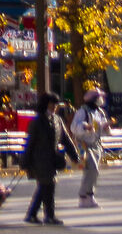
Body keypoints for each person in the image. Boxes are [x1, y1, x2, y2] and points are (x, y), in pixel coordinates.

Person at [19, 93, 76, 227]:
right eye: (52, 104)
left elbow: (66, 139)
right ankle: (49, 216)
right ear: (46, 104)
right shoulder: (37, 122)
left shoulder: (57, 120)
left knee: (44, 187)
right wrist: (24, 162)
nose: (55, 107)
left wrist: (74, 155)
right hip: (39, 160)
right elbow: (30, 143)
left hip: (52, 159)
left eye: (56, 104)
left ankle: (31, 214)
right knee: (48, 186)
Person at [71, 88, 107, 210]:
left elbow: (102, 128)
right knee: (92, 169)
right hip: (84, 144)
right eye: (99, 97)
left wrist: (106, 128)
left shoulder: (100, 112)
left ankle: (89, 195)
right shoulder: (82, 111)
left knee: (93, 171)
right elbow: (74, 127)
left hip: (96, 143)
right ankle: (83, 195)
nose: (101, 100)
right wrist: (85, 127)